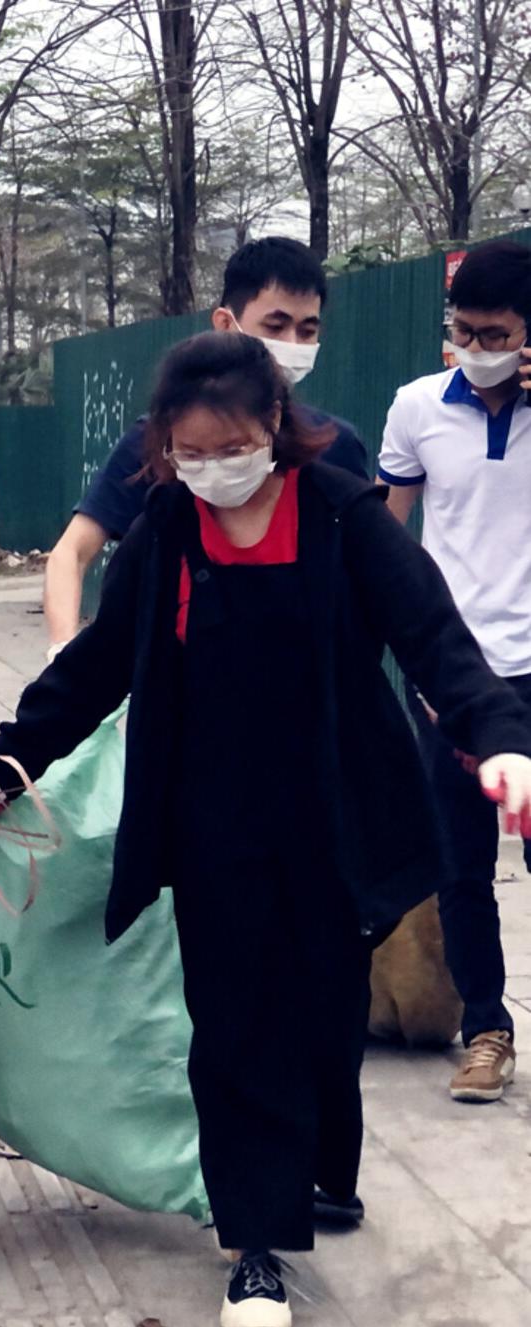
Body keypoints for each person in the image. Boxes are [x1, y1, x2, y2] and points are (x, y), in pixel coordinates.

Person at [0, 331, 531, 1327]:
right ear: (167, 447)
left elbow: (434, 639)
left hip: (333, 812)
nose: (212, 466)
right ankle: (253, 1251)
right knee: (233, 1027)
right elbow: (103, 662)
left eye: (230, 444)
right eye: (190, 450)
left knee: (324, 1013)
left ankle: (323, 1174)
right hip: (209, 819)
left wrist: (499, 741)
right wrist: (11, 758)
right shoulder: (169, 529)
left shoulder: (341, 517)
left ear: (274, 428)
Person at [43, 237, 368, 657]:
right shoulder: (157, 440)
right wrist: (63, 651)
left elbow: (373, 577)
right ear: (225, 324)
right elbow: (71, 552)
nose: (293, 344)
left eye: (307, 330)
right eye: (275, 325)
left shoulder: (334, 446)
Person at [378, 239, 531, 1103]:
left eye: (497, 332)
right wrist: (403, 654)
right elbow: (385, 531)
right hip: (449, 670)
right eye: (464, 331)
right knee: (461, 867)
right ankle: (486, 1029)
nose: (479, 347)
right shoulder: (416, 409)